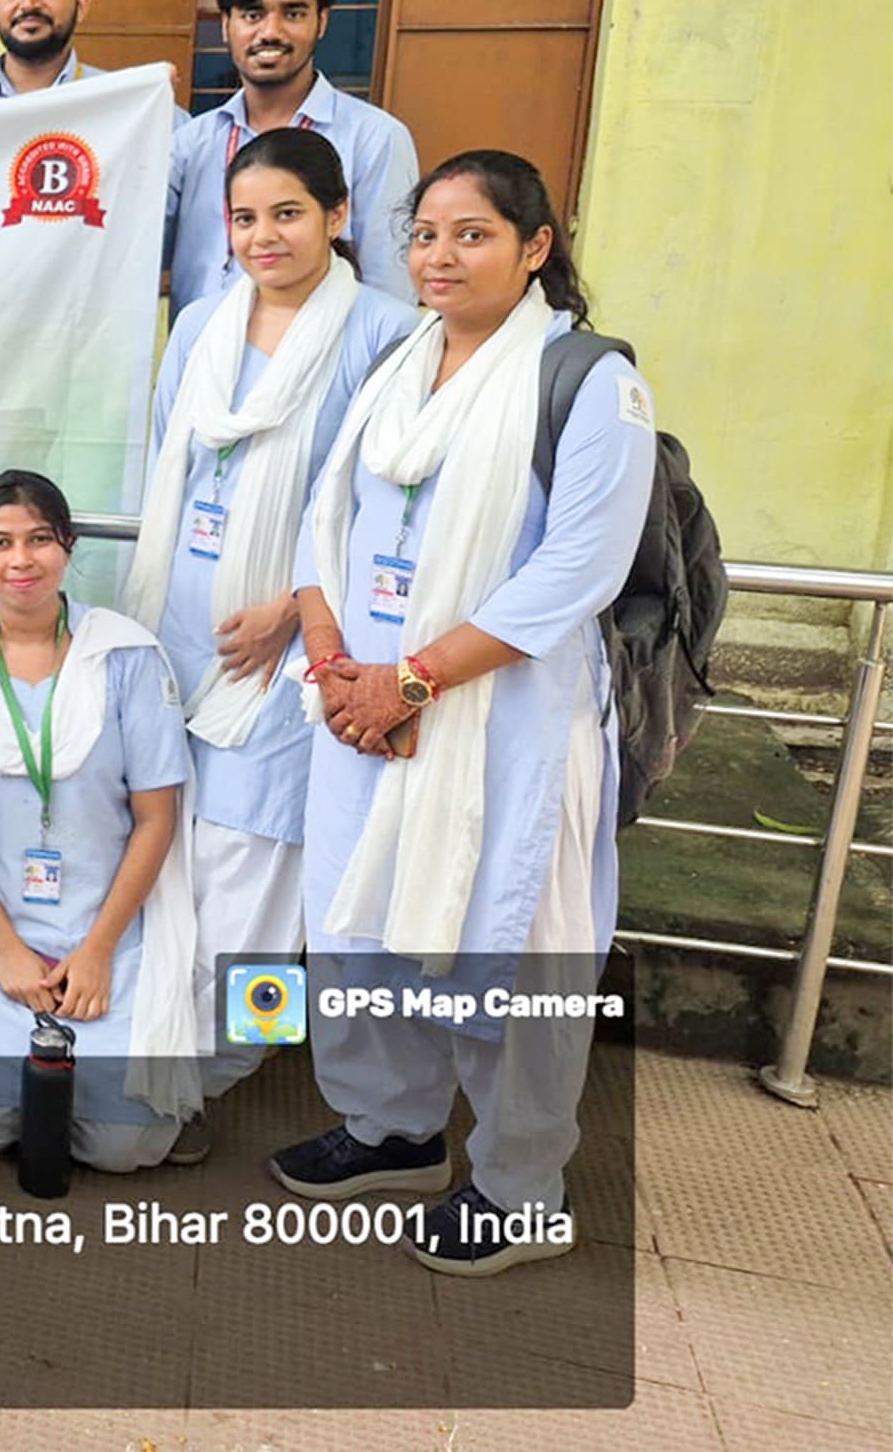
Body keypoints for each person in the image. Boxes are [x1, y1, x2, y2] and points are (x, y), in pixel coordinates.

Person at [274, 150, 656, 1277]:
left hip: (504, 720)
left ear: (534, 248)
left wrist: (413, 680)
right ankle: (391, 1127)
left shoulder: (589, 382)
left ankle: (520, 1185)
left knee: (507, 939)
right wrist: (336, 664)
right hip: (365, 709)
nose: (439, 256)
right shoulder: (397, 363)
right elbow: (325, 523)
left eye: (472, 234)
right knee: (360, 916)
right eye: (425, 234)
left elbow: (575, 570)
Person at [124, 129, 416, 1123]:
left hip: (296, 656)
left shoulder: (386, 335)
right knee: (171, 860)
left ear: (337, 216)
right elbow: (167, 461)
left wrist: (294, 608)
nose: (264, 236)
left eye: (287, 213)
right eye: (244, 218)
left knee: (262, 882)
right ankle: (155, 1049)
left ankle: (225, 1073)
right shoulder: (200, 323)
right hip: (180, 628)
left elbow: (385, 510)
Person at [0, 471, 199, 1171]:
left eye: (40, 539)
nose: (22, 560)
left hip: (105, 919)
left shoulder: (126, 656)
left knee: (125, 1145)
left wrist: (98, 949)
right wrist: (5, 946)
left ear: (68, 546)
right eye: (1, 543)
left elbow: (156, 818)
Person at [167, 0, 418, 312]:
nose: (271, 32)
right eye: (252, 15)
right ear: (226, 26)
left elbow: (390, 290)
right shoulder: (189, 142)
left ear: (322, 22)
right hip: (202, 346)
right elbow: (131, 249)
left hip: (325, 347)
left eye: (293, 14)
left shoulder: (374, 139)